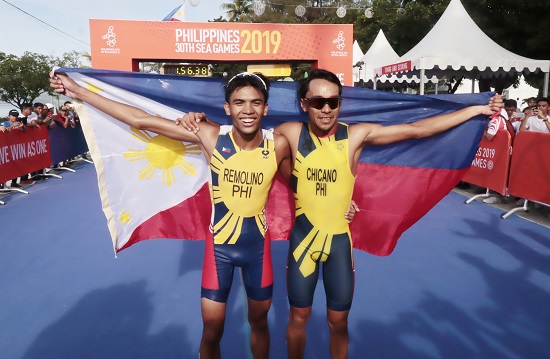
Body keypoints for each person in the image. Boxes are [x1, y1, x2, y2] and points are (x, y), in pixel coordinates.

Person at [179, 69, 503, 359]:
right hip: (303, 243)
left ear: (340, 103)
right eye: (318, 102)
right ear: (304, 103)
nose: (326, 108)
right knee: (298, 318)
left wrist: (475, 109)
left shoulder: (356, 136)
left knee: (338, 322)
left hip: (338, 245)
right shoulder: (290, 133)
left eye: (332, 102)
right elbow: (244, 134)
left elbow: (417, 130)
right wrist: (199, 120)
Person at [51, 70, 357, 359]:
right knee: (212, 327)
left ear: (265, 109)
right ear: (227, 107)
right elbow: (140, 119)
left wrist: (340, 200)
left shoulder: (277, 144)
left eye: (255, 103)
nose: (247, 109)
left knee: (260, 321)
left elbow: (306, 176)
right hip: (219, 251)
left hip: (257, 252)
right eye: (239, 102)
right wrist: (79, 92)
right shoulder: (210, 136)